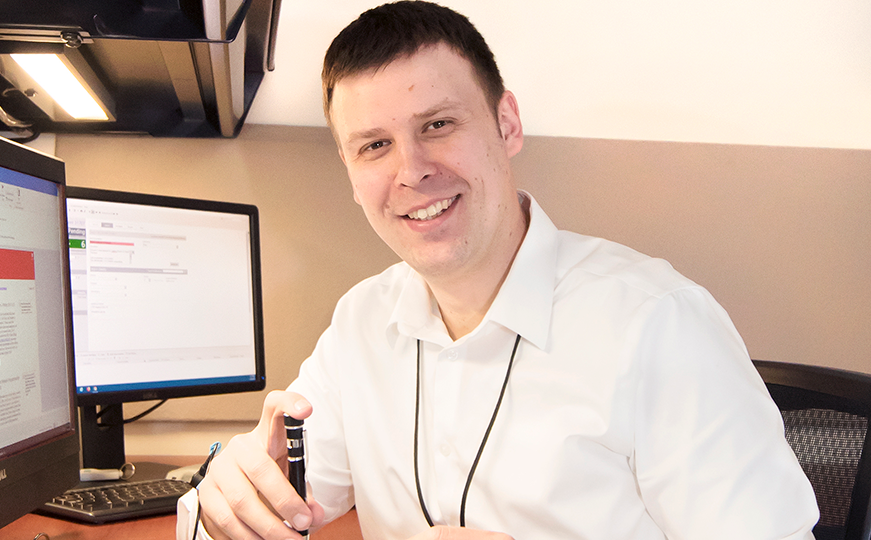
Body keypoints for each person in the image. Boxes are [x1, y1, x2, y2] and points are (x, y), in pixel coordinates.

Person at [185, 2, 820, 539]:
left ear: (507, 124)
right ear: (352, 176)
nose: (411, 171)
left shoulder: (661, 324)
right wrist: (225, 496)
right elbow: (262, 504)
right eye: (374, 145)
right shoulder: (361, 325)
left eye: (438, 124)